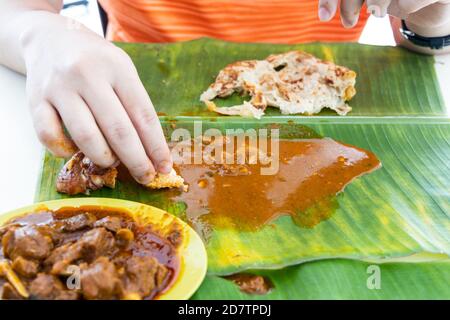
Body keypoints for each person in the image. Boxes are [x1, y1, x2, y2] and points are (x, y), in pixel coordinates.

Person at [0, 0, 448, 185]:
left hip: (319, 86)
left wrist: (435, 16)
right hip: (119, 87)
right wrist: (38, 32)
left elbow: (421, 38)